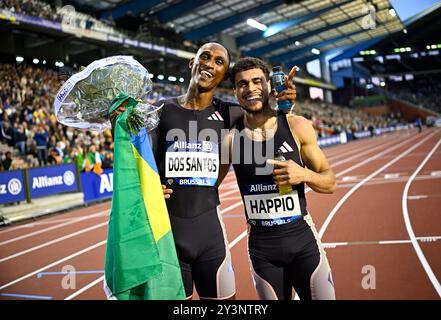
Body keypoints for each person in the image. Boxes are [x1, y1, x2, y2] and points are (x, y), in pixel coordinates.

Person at [111, 43, 241, 300]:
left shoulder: (230, 113)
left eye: (218, 62)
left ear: (224, 75)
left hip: (210, 234)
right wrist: (118, 125)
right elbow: (140, 159)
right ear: (192, 62)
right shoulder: (160, 110)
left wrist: (283, 104)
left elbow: (267, 121)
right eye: (205, 57)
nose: (210, 64)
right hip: (168, 236)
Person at [224, 57, 336, 300]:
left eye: (257, 81)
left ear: (268, 86)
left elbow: (330, 182)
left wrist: (303, 174)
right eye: (242, 84)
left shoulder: (297, 126)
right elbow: (208, 183)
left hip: (303, 241)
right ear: (235, 91)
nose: (251, 88)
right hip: (263, 250)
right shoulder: (230, 137)